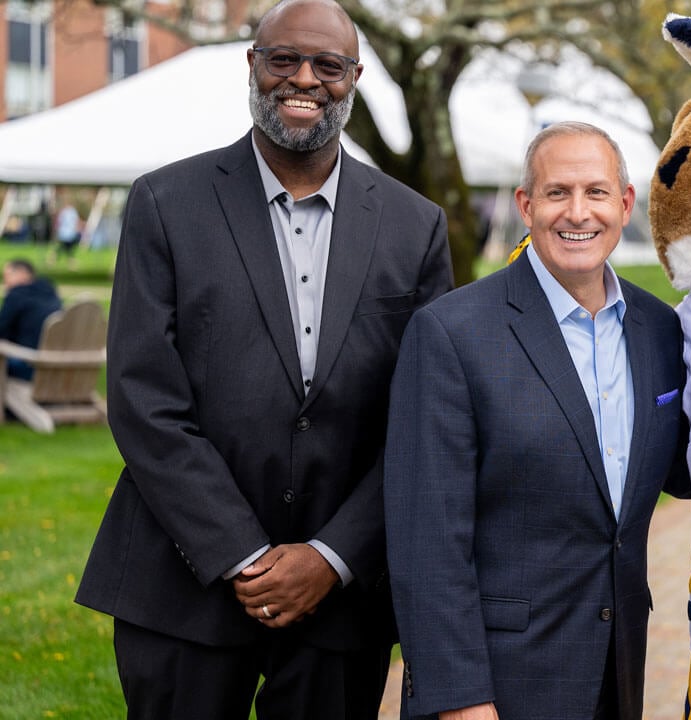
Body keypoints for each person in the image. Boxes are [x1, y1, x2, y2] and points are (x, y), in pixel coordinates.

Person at [74, 0, 453, 717]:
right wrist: (242, 556)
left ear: (355, 77)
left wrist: (333, 556)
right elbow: (142, 398)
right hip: (183, 582)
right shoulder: (165, 203)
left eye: (327, 65)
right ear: (253, 65)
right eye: (283, 59)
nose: (304, 78)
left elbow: (424, 420)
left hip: (340, 602)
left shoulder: (415, 226)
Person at [384, 121, 689, 720]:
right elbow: (427, 540)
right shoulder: (452, 332)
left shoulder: (659, 329)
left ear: (626, 205)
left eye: (597, 192)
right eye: (558, 193)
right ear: (526, 205)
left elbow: (686, 471)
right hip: (496, 685)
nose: (579, 212)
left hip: (616, 670)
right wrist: (461, 700)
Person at [0, 258, 63, 380]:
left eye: (7, 275)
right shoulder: (50, 292)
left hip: (30, 364)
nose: (5, 282)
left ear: (22, 274)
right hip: (58, 366)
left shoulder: (16, 295)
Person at [53, 198, 82, 264]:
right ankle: (70, 261)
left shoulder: (63, 211)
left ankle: (54, 258)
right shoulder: (72, 211)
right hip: (69, 233)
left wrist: (56, 231)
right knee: (67, 248)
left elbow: (58, 222)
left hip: (63, 233)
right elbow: (76, 222)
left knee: (64, 247)